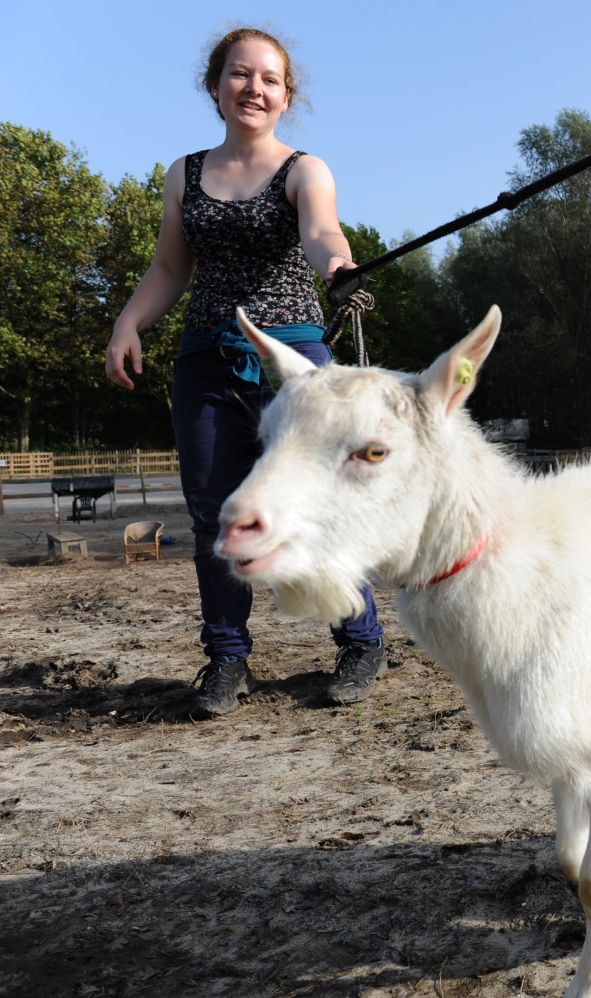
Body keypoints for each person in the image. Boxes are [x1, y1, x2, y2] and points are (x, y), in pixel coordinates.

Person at [105, 27, 387, 716]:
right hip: (205, 356)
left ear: (288, 96)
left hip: (292, 362)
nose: (254, 87)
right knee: (212, 516)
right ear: (216, 85)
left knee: (316, 502)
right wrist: (127, 322)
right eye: (240, 74)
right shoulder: (184, 173)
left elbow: (324, 234)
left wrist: (340, 271)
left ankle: (360, 638)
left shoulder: (304, 170)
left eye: (269, 78)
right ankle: (227, 659)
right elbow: (171, 268)